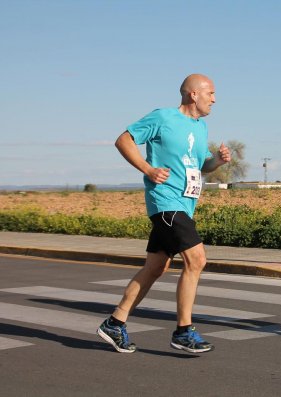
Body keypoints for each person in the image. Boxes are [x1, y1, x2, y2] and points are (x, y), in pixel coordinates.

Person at [97, 74, 231, 353]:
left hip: (185, 205)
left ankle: (115, 321)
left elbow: (201, 166)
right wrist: (147, 169)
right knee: (196, 260)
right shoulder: (163, 117)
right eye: (211, 93)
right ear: (193, 94)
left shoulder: (201, 127)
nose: (214, 99)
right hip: (166, 202)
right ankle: (184, 331)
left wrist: (216, 161)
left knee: (156, 267)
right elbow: (123, 140)